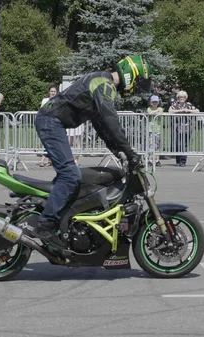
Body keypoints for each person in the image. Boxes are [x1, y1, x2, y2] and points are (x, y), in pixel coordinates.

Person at [31, 55, 150, 251]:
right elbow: (111, 121)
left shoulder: (103, 82)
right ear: (130, 75)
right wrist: (130, 152)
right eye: (138, 82)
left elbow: (101, 125)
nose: (138, 87)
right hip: (51, 122)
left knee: (77, 176)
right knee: (70, 175)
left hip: (53, 122)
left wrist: (118, 151)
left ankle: (65, 212)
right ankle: (46, 225)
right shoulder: (104, 85)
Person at [39, 84, 58, 167]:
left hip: (54, 124)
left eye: (54, 91)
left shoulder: (58, 100)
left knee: (52, 143)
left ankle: (49, 160)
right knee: (48, 142)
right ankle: (43, 160)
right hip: (46, 124)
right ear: (49, 92)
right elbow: (43, 110)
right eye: (51, 91)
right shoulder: (45, 100)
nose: (53, 93)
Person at [146, 95, 164, 167]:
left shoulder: (160, 108)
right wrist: (156, 111)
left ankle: (157, 160)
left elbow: (160, 114)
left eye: (156, 102)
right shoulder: (149, 108)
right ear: (151, 102)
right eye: (153, 102)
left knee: (157, 146)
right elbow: (149, 113)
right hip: (150, 129)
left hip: (157, 130)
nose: (154, 103)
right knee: (150, 145)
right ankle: (150, 160)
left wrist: (156, 112)